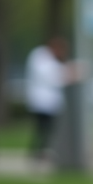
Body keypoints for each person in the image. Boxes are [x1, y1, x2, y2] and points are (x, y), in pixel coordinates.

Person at [25, 37, 68, 165]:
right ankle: (37, 152)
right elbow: (52, 77)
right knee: (43, 128)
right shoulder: (40, 56)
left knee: (47, 129)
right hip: (42, 101)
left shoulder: (48, 59)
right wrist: (69, 75)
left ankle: (41, 151)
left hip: (48, 102)